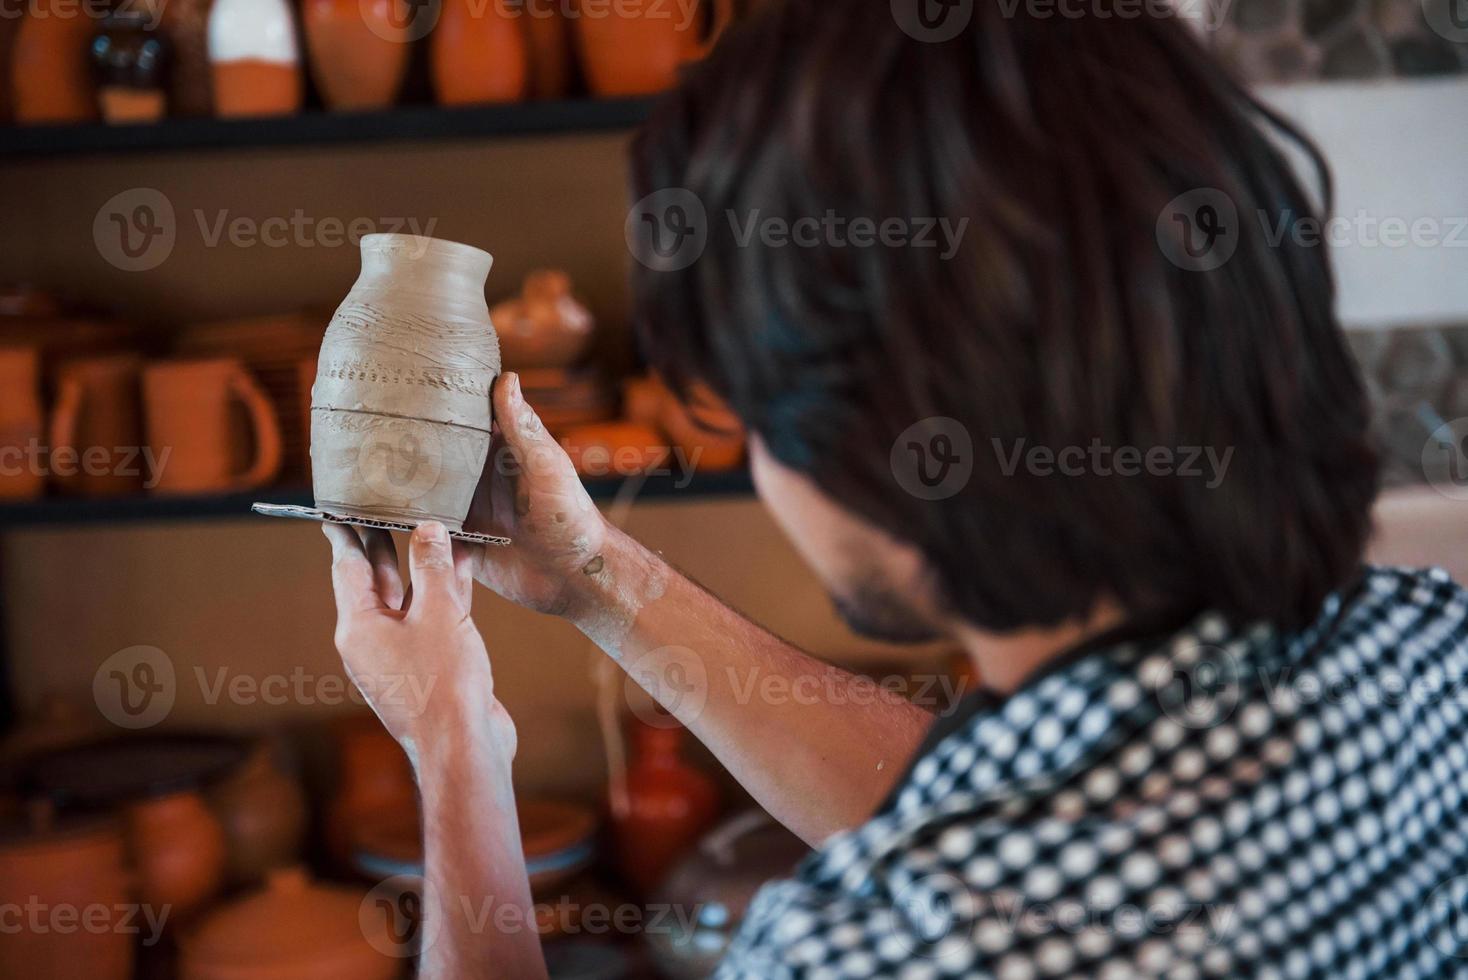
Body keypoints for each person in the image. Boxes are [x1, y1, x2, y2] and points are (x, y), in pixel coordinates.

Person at [322, 1, 1468, 976]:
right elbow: (990, 815)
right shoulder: (1431, 649)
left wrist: (452, 735)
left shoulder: (873, 951)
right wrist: (599, 579)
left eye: (755, 408)